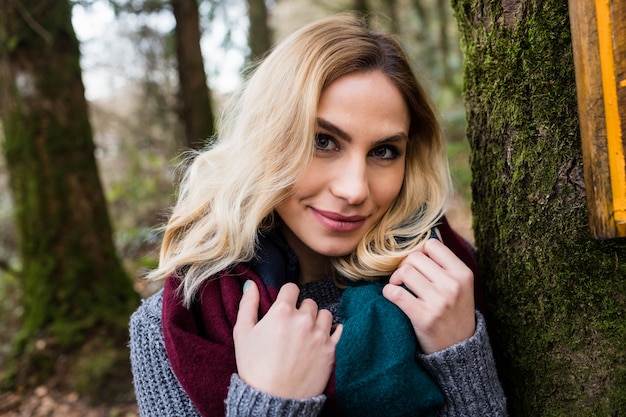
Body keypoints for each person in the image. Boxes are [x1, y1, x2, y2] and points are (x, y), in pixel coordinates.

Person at [129, 14, 507, 417]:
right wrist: (271, 402)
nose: (354, 189)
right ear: (268, 140)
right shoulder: (179, 320)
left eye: (383, 151)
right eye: (322, 141)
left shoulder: (446, 277)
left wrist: (460, 355)